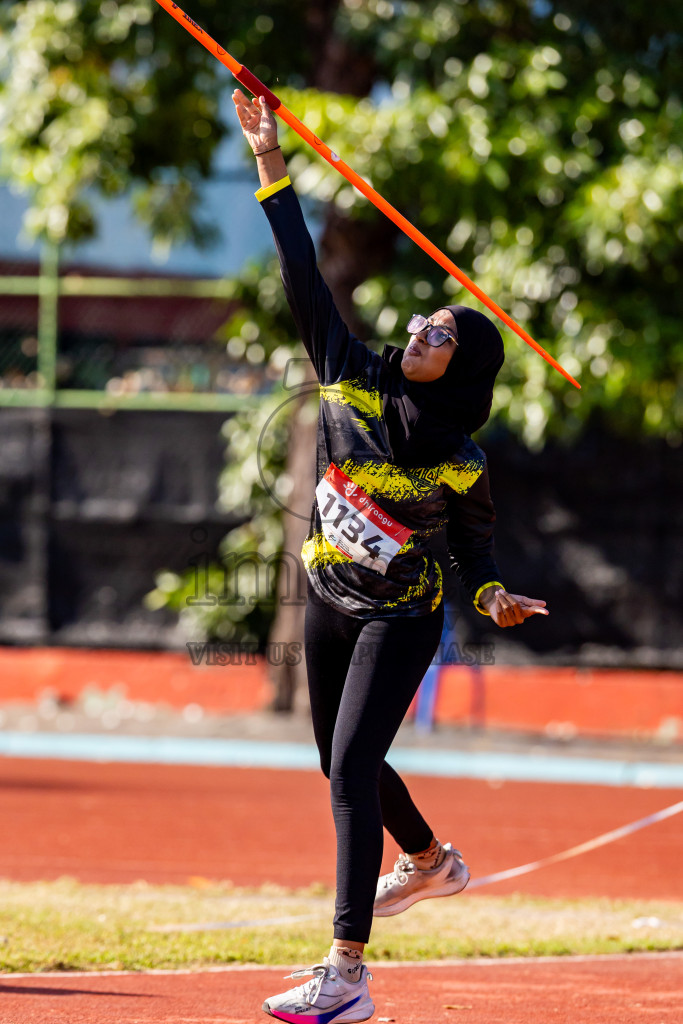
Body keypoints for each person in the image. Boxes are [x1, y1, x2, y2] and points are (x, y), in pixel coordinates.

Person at [232, 88, 549, 1024]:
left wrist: (488, 597)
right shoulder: (347, 371)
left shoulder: (460, 458)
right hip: (326, 597)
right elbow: (300, 268)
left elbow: (473, 547)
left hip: (400, 615)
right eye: (423, 318)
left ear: (464, 367)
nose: (421, 327)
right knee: (340, 757)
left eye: (444, 331)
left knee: (349, 770)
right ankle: (429, 862)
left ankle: (346, 973)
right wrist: (267, 160)